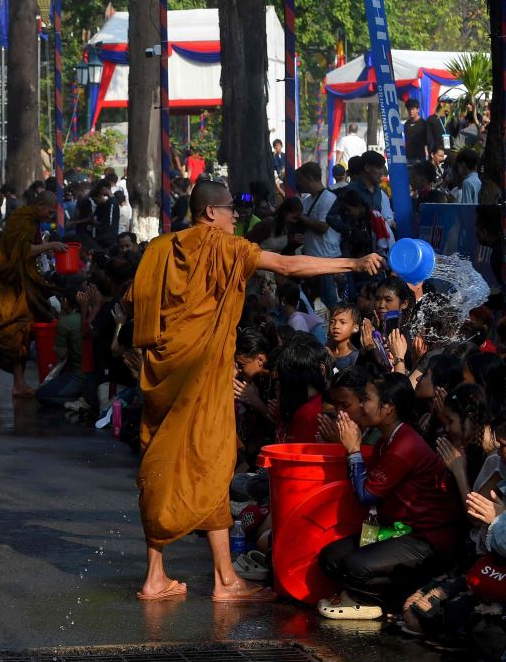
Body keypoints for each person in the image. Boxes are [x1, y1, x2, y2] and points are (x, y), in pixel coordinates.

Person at [127, 179, 382, 601]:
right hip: (201, 378)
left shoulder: (159, 251)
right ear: (211, 213)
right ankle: (223, 581)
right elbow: (286, 266)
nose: (236, 218)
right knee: (209, 465)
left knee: (161, 466)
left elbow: (136, 304)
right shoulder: (224, 248)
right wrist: (352, 265)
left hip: (165, 379)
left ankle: (165, 575)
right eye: (231, 210)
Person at [319, 373, 461, 619]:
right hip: (396, 529)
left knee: (356, 565)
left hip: (426, 538)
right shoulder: (387, 441)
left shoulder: (405, 444)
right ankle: (363, 595)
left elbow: (366, 496)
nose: (361, 405)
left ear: (388, 408)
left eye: (367, 399)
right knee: (331, 558)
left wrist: (353, 450)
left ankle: (383, 601)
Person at [0, 191, 66, 400]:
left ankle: (19, 383)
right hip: (8, 285)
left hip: (22, 286)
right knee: (0, 331)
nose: (50, 216)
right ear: (39, 205)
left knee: (24, 331)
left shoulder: (32, 220)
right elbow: (22, 251)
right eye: (49, 212)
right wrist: (50, 245)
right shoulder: (22, 220)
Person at [295, 162, 342, 310]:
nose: (298, 184)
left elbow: (323, 227)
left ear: (309, 178)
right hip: (311, 260)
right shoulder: (307, 201)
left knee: (331, 303)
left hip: (326, 261)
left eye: (300, 179)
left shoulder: (329, 198)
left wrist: (301, 218)